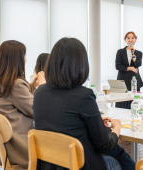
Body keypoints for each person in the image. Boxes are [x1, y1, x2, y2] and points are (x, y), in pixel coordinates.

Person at [33, 38, 135, 170]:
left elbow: (64, 123)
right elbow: (103, 145)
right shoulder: (83, 95)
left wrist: (94, 121)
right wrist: (116, 129)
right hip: (77, 165)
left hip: (50, 165)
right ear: (81, 65)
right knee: (119, 156)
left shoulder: (40, 92)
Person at [0, 40, 46, 169]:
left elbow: (14, 100)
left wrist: (32, 86)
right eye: (24, 56)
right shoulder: (15, 85)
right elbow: (38, 111)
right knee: (57, 152)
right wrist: (43, 87)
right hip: (15, 148)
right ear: (17, 59)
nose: (26, 60)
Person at [115, 31, 143, 109]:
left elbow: (138, 64)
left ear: (135, 40)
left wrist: (134, 56)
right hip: (123, 81)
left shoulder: (139, 53)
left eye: (132, 38)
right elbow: (118, 66)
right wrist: (130, 68)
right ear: (125, 40)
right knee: (121, 105)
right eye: (128, 38)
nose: (130, 40)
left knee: (134, 105)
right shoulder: (120, 52)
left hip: (134, 81)